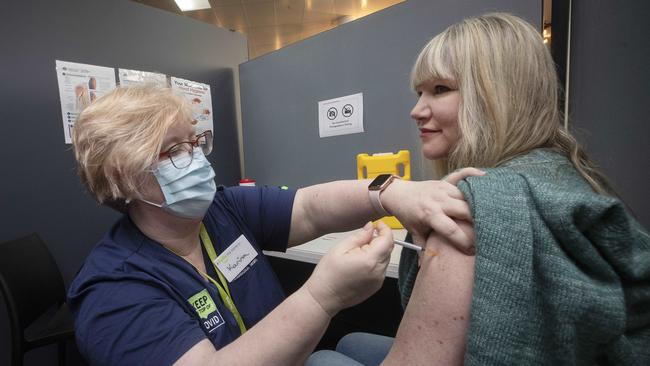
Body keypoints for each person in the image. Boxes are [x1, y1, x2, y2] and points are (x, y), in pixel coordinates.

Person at [308, 12, 650, 366]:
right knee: (349, 341)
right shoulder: (564, 171)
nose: (416, 110)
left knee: (319, 360)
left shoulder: (468, 211)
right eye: (419, 92)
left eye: (440, 89)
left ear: (496, 95)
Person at [67, 84, 481, 365]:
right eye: (173, 151)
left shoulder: (221, 210)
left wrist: (390, 192)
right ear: (122, 178)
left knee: (343, 349)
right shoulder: (112, 291)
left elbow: (312, 207)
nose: (196, 159)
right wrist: (322, 297)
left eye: (193, 142)